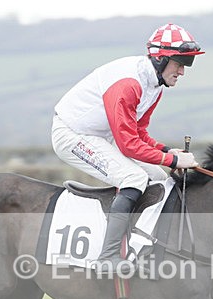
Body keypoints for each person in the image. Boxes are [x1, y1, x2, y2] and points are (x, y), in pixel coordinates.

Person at [51, 23, 203, 274]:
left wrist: (168, 152)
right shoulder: (128, 84)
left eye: (187, 64)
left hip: (103, 135)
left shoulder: (155, 86)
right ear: (161, 59)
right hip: (72, 134)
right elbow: (129, 144)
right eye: (180, 63)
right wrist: (173, 161)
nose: (183, 71)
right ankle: (108, 256)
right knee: (133, 177)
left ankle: (141, 244)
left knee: (157, 178)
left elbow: (139, 133)